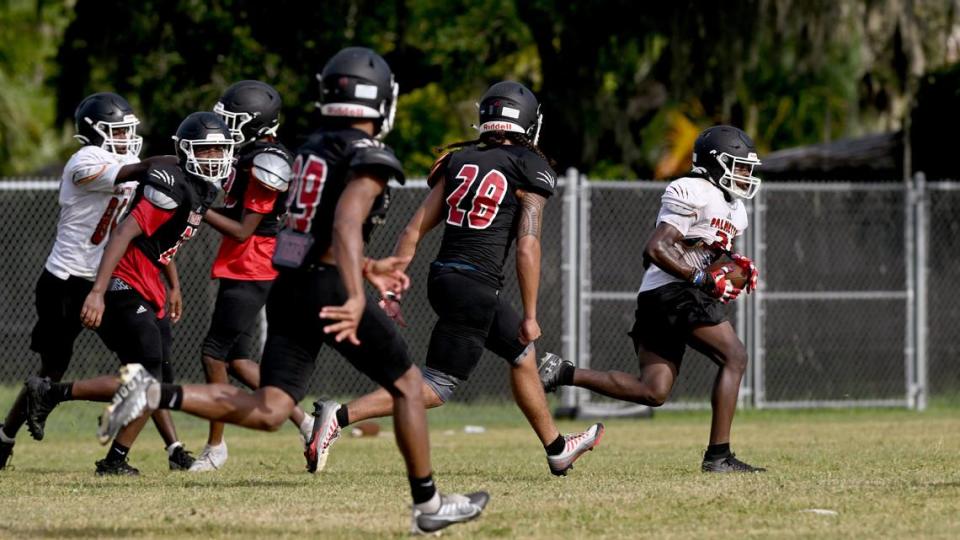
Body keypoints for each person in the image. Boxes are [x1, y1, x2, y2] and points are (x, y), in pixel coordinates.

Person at [96, 47, 488, 534]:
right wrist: (354, 289)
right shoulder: (366, 156)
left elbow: (310, 230)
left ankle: (154, 393)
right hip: (326, 286)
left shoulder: (309, 149)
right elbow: (345, 224)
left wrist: (365, 266)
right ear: (381, 101)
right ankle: (428, 506)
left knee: (271, 408)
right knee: (410, 386)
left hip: (289, 283)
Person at [308, 81, 603, 477]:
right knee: (436, 386)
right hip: (475, 286)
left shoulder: (459, 160)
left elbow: (413, 230)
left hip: (443, 278)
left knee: (521, 353)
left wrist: (394, 282)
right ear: (529, 123)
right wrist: (532, 312)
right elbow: (527, 247)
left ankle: (556, 448)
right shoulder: (529, 166)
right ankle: (338, 416)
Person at [538, 125, 767, 473]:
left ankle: (564, 372)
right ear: (714, 163)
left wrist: (733, 267)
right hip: (673, 292)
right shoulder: (693, 189)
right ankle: (718, 456)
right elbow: (657, 247)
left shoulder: (736, 211)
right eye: (737, 166)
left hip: (661, 296)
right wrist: (704, 278)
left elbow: (705, 253)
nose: (744, 175)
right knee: (734, 356)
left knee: (653, 391)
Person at [23, 111, 234, 475]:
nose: (215, 157)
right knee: (147, 376)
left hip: (149, 279)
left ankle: (116, 459)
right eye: (207, 150)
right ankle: (53, 394)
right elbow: (124, 234)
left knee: (159, 381)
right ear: (187, 151)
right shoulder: (171, 186)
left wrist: (174, 283)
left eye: (220, 150)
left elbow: (161, 241)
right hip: (124, 279)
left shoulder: (202, 189)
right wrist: (99, 292)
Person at [0, 93, 192, 471]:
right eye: (119, 130)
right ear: (96, 131)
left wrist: (172, 280)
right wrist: (176, 162)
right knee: (52, 367)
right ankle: (4, 438)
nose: (127, 136)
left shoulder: (134, 162)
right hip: (68, 281)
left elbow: (148, 229)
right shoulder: (83, 161)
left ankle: (173, 448)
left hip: (114, 279)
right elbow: (127, 175)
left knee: (145, 366)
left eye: (128, 129)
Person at [190, 80, 313, 472]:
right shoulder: (250, 155)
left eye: (233, 120)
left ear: (255, 123)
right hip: (245, 260)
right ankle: (307, 422)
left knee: (212, 353)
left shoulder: (268, 161)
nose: (225, 126)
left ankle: (215, 447)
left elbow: (244, 229)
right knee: (241, 361)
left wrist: (194, 206)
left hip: (254, 262)